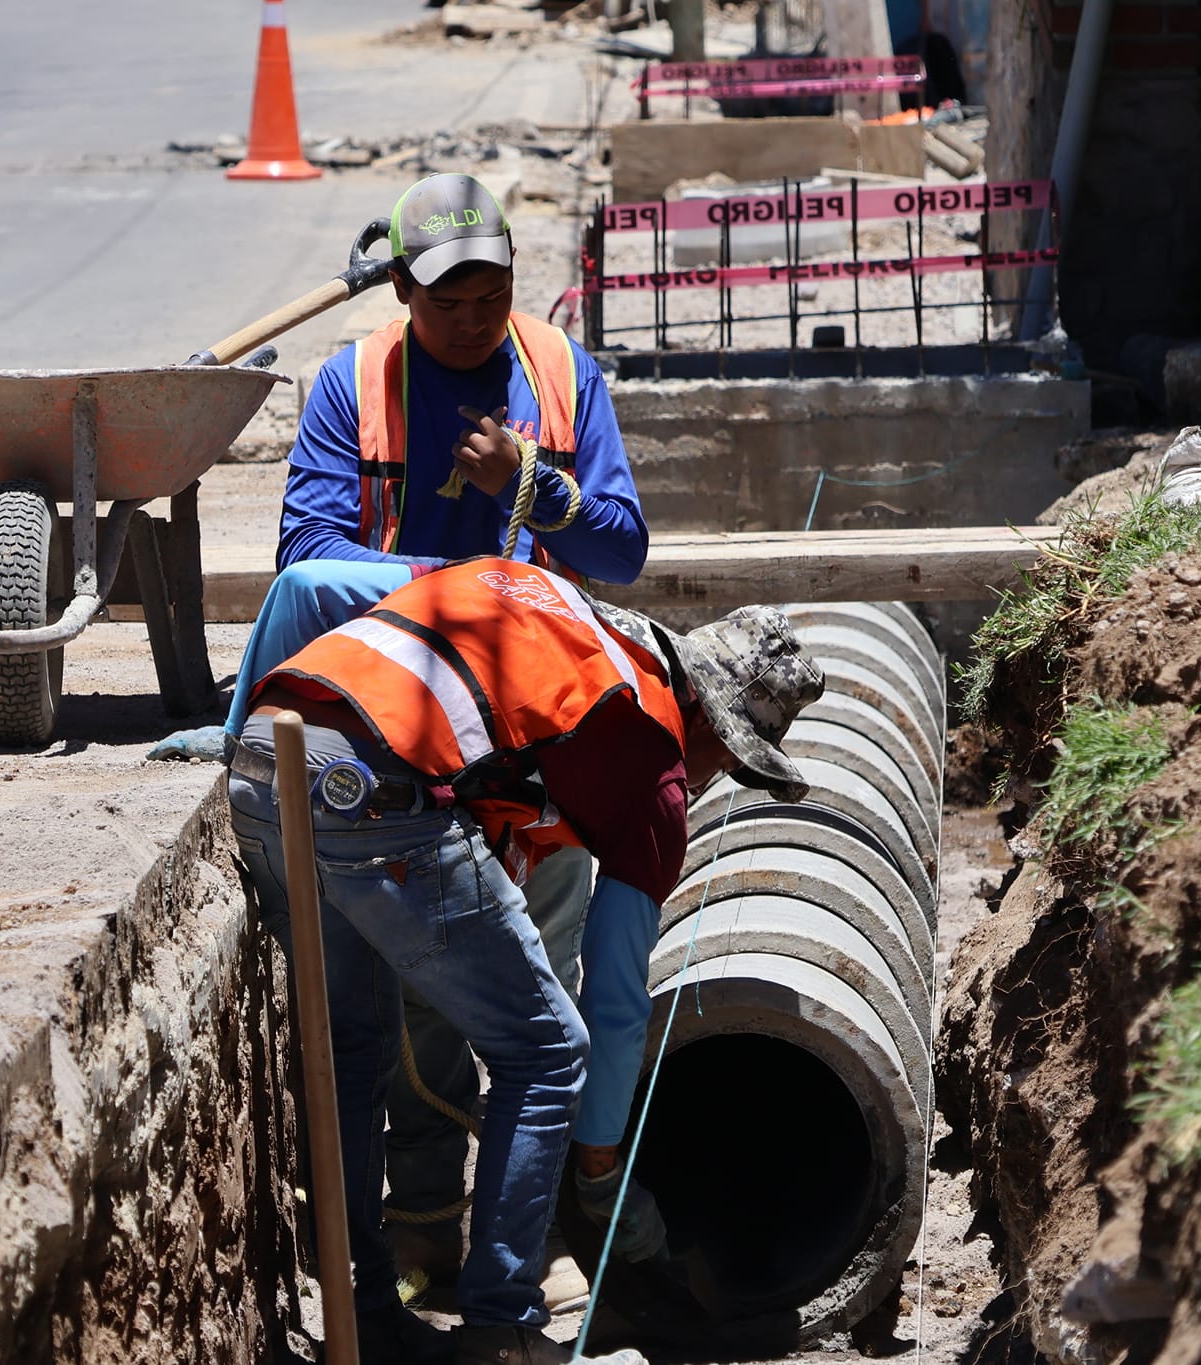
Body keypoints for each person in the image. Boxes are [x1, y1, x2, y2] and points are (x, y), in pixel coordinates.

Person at [158, 171, 652, 1295]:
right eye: (446, 304)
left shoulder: (563, 379)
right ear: (400, 290)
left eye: (490, 299)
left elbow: (621, 551)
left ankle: (514, 1234)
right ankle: (420, 1232)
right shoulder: (354, 384)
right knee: (402, 1014)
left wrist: (538, 490)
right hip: (385, 723)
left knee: (531, 987)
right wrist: (462, 582)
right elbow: (308, 558)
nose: (471, 324)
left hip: (525, 725)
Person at [225, 559, 823, 1365]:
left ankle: (366, 1322)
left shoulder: (559, 610)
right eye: (733, 761)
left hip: (265, 755)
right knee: (547, 1051)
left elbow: (327, 599)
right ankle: (502, 1327)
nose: (716, 776)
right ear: (714, 724)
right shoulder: (657, 769)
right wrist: (600, 1167)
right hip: (377, 795)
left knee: (357, 1052)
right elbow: (612, 1003)